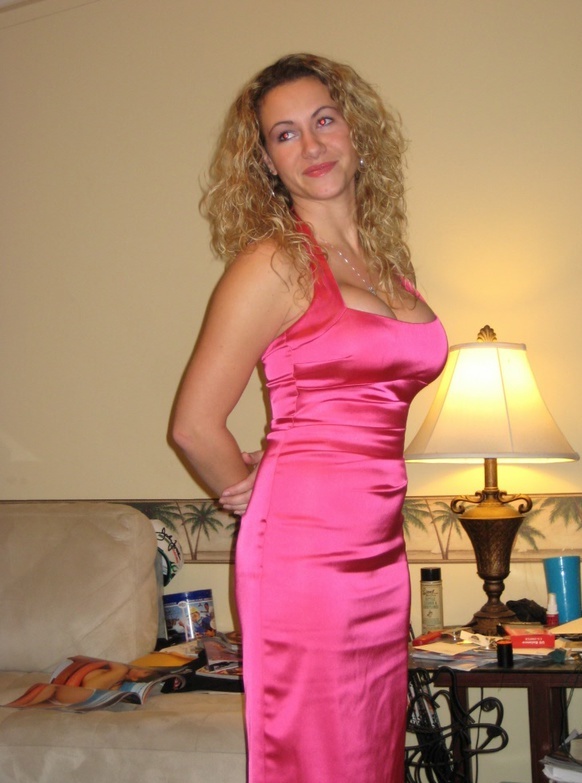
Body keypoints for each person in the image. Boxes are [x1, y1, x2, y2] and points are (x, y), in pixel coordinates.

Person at [172, 53, 448, 783]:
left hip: (379, 549)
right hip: (303, 555)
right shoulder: (274, 264)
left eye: (323, 120)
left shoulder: (386, 265)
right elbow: (194, 425)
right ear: (267, 160)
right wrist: (249, 492)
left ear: (355, 130)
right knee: (322, 756)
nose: (313, 145)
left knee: (371, 751)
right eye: (286, 134)